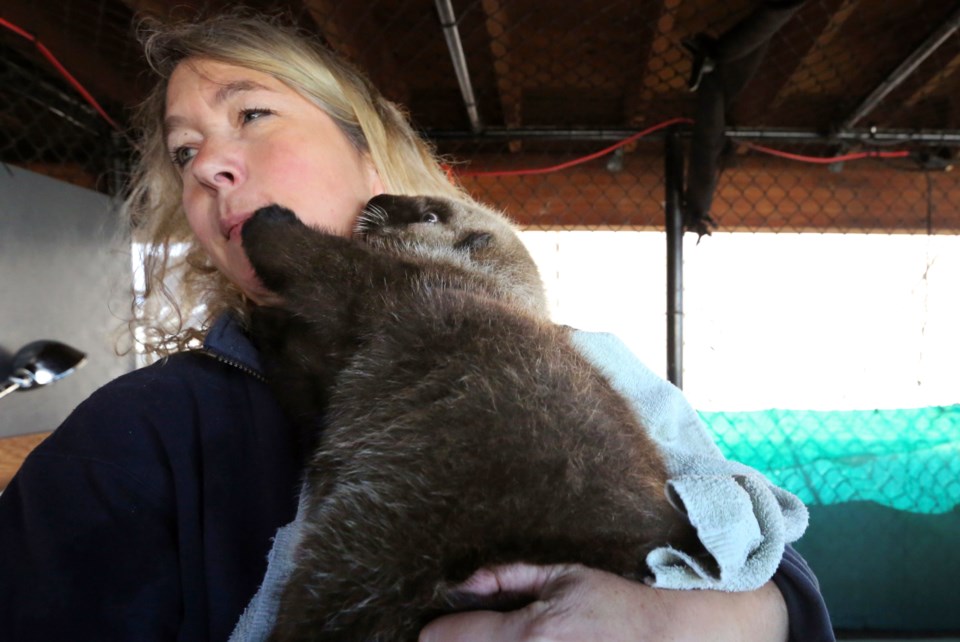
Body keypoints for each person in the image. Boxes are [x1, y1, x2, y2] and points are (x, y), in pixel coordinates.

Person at [0, 12, 834, 642]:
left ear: (371, 156)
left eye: (251, 114)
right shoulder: (141, 432)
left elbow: (781, 590)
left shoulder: (583, 364)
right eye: (185, 153)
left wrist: (669, 624)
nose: (212, 166)